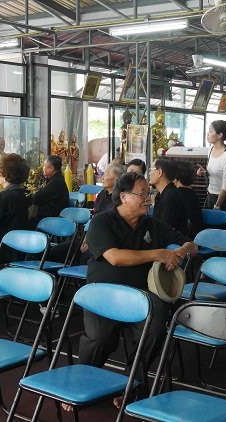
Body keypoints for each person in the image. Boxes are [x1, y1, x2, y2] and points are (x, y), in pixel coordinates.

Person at [78, 172, 198, 410]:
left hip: (140, 296)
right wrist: (158, 254)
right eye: (142, 194)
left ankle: (132, 384)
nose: (148, 199)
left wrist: (179, 252)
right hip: (103, 293)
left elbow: (191, 244)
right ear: (123, 197)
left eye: (148, 193)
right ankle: (82, 384)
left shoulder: (151, 224)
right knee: (100, 339)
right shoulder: (102, 221)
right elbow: (115, 257)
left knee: (156, 325)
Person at [199, 120, 226, 232]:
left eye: (210, 131)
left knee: (222, 232)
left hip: (224, 200)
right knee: (208, 231)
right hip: (210, 196)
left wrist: (217, 206)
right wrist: (204, 172)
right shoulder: (211, 150)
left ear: (219, 135)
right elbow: (215, 172)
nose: (208, 133)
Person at [150, 158, 191, 236]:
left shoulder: (171, 197)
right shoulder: (161, 194)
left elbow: (165, 231)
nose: (149, 173)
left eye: (151, 169)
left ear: (159, 172)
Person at [28, 155, 69, 223]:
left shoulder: (56, 182)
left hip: (53, 218)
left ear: (52, 168)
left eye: (44, 165)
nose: (43, 168)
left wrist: (26, 198)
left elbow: (38, 197)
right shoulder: (55, 179)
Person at [174, 160, 203, 238]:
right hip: (197, 237)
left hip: (184, 239)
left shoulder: (176, 195)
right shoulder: (192, 193)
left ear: (176, 177)